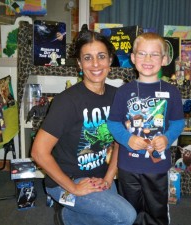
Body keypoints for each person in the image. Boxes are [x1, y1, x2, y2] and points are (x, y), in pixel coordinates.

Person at [31, 25, 136, 225]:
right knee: (126, 216)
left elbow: (118, 143)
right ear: (79, 63)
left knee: (109, 217)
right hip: (64, 182)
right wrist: (73, 187)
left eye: (101, 56)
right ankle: (66, 216)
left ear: (110, 59)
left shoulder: (117, 97)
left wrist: (108, 177)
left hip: (98, 177)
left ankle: (70, 217)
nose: (95, 64)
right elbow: (38, 153)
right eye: (87, 58)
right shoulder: (67, 102)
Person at [107, 32, 185, 225]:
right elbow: (113, 123)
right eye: (142, 54)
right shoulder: (123, 91)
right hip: (128, 166)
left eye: (154, 54)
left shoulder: (172, 92)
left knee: (156, 211)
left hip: (157, 165)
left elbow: (178, 122)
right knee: (129, 212)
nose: (148, 59)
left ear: (165, 59)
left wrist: (167, 139)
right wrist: (127, 139)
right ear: (133, 58)